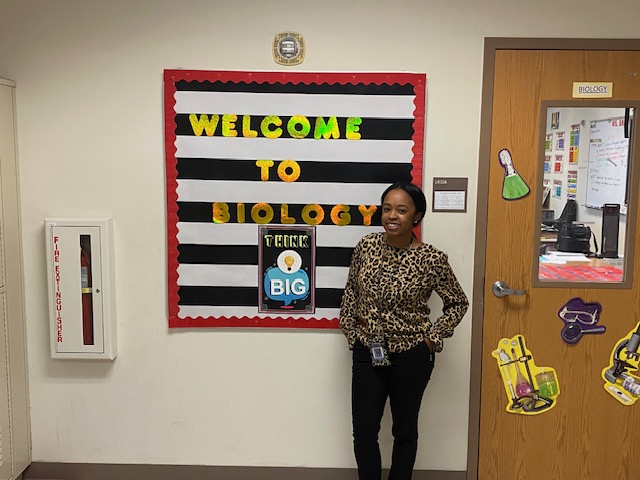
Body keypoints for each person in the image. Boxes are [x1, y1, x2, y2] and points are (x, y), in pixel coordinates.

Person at [339, 181, 469, 480]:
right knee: (365, 430)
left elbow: (458, 303)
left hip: (411, 355)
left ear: (416, 217)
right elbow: (351, 292)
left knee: (404, 430)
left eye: (401, 210)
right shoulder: (367, 246)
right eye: (387, 209)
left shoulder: (431, 259)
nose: (392, 216)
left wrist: (431, 339)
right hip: (367, 350)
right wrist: (350, 328)